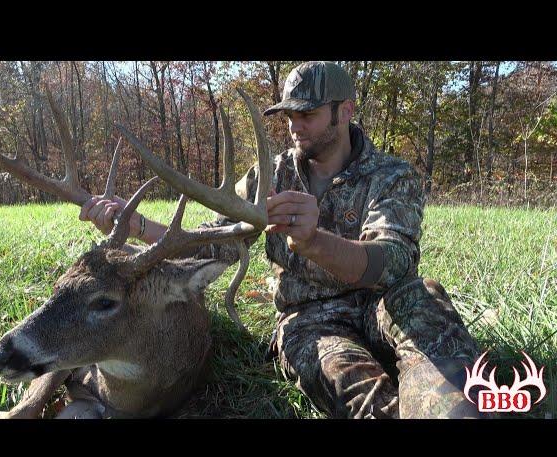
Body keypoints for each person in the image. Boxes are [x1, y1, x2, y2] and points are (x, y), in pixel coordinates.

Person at [80, 61, 485, 419]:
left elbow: (393, 262)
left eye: (307, 114)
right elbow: (214, 240)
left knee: (431, 324)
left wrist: (313, 241)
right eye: (288, 115)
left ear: (345, 111)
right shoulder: (269, 177)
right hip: (310, 319)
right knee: (350, 386)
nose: (294, 126)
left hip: (385, 302)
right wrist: (136, 226)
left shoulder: (392, 176)